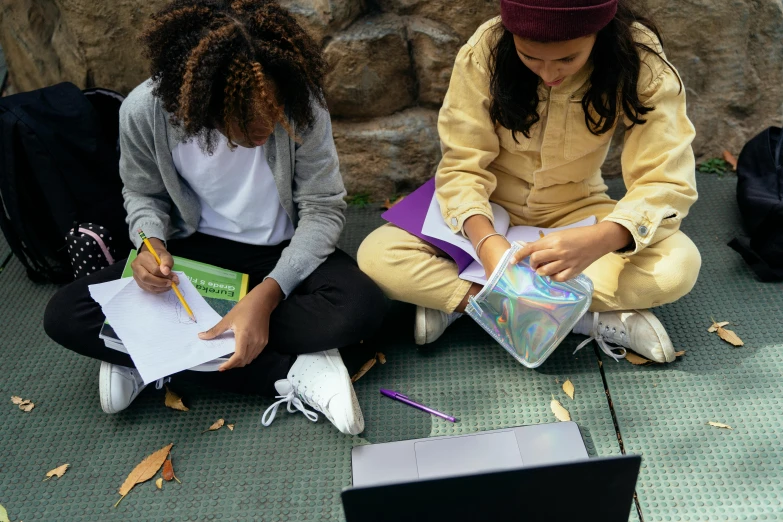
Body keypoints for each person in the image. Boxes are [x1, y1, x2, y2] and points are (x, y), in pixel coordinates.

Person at [44, 0, 387, 435]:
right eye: (248, 118)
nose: (267, 125)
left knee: (361, 308)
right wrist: (151, 244)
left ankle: (151, 355)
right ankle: (289, 373)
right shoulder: (143, 111)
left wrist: (266, 297)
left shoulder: (301, 102)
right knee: (65, 315)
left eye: (275, 110)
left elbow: (322, 208)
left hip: (280, 254)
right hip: (192, 260)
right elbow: (142, 194)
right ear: (205, 100)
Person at [358, 0, 701, 363]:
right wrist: (487, 242)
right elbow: (462, 164)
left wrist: (599, 239)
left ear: (600, 34)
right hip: (487, 209)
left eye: (568, 59)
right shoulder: (487, 48)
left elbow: (665, 178)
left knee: (676, 268)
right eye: (530, 56)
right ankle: (579, 317)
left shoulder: (639, 57)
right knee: (378, 257)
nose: (548, 74)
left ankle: (465, 302)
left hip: (577, 208)